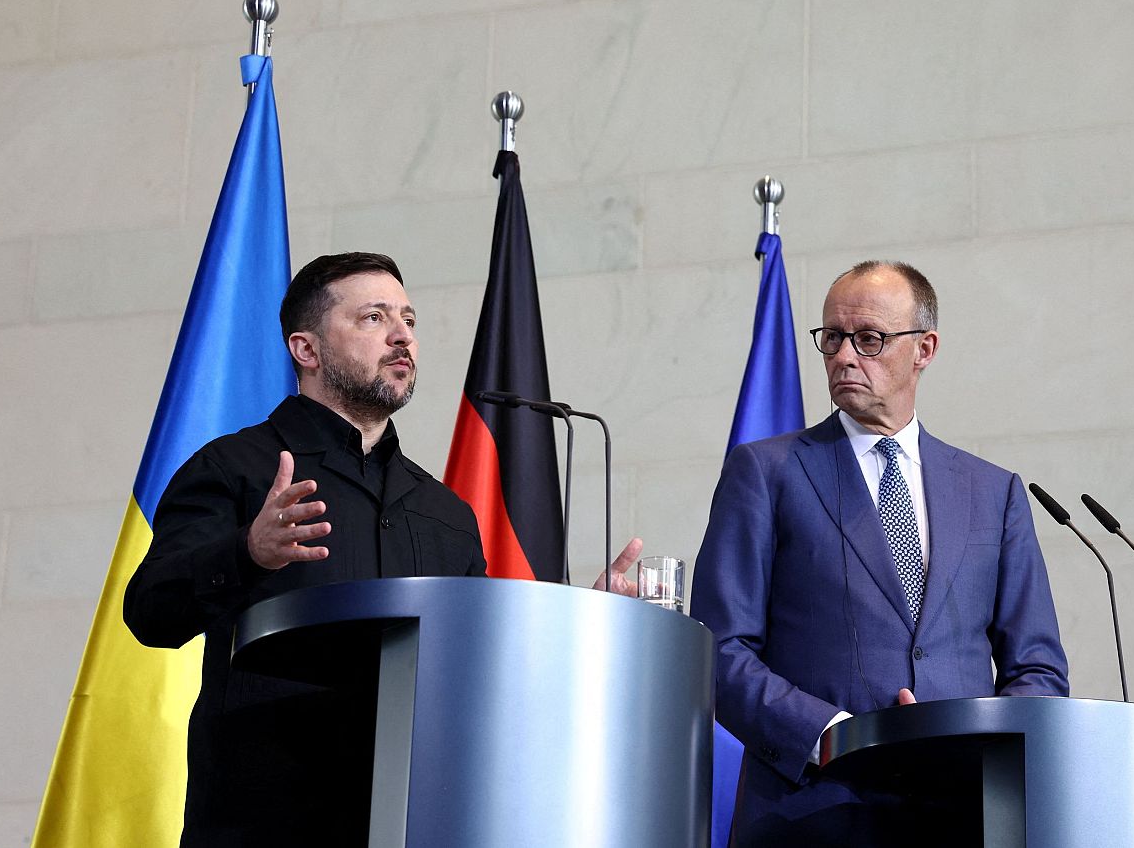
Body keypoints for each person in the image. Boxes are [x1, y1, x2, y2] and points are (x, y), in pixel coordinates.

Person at [124, 252, 642, 846]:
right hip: (269, 820)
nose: (402, 337)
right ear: (306, 349)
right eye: (373, 318)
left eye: (409, 320)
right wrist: (250, 551)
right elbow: (149, 613)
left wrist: (578, 626)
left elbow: (479, 662)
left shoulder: (444, 512)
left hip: (420, 816)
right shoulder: (236, 467)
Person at [689, 260, 1070, 845]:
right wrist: (834, 737)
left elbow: (1037, 668)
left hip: (963, 816)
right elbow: (721, 647)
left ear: (925, 349)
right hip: (814, 810)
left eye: (869, 339)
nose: (844, 357)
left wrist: (972, 744)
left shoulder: (992, 492)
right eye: (832, 338)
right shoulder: (766, 472)